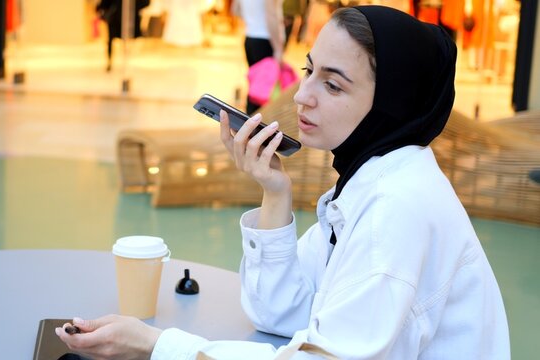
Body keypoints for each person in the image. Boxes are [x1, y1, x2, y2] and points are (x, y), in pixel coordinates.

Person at [56, 6, 510, 359]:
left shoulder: (395, 210)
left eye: (333, 86)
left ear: (390, 104)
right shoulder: (367, 180)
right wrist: (275, 193)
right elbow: (282, 312)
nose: (302, 94)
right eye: (309, 70)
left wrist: (155, 346)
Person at [231, 0, 286, 115]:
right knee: (263, 89)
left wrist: (252, 20)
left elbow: (235, 10)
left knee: (255, 86)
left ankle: (250, 122)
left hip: (250, 38)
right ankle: (255, 124)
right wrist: (278, 48)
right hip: (265, 40)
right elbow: (271, 15)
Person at [96, 0, 150, 72]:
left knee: (119, 40)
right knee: (112, 40)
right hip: (116, 20)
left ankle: (124, 60)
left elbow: (145, 3)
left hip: (128, 18)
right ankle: (111, 61)